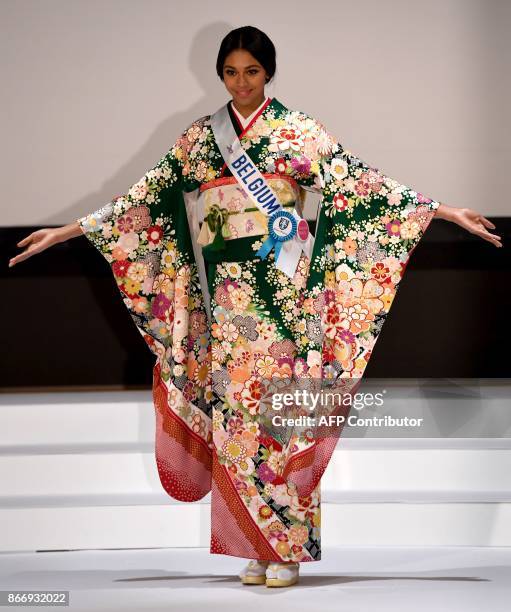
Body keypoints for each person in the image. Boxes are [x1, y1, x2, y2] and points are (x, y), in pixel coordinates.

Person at [9, 25, 502, 588]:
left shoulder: (300, 133)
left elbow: (363, 185)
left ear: (268, 72)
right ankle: (253, 541)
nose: (240, 83)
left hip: (287, 300)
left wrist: (441, 210)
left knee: (283, 424)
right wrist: (72, 230)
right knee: (239, 420)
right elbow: (144, 198)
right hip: (229, 303)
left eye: (251, 71)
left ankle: (285, 548)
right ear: (220, 75)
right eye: (230, 72)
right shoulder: (201, 139)